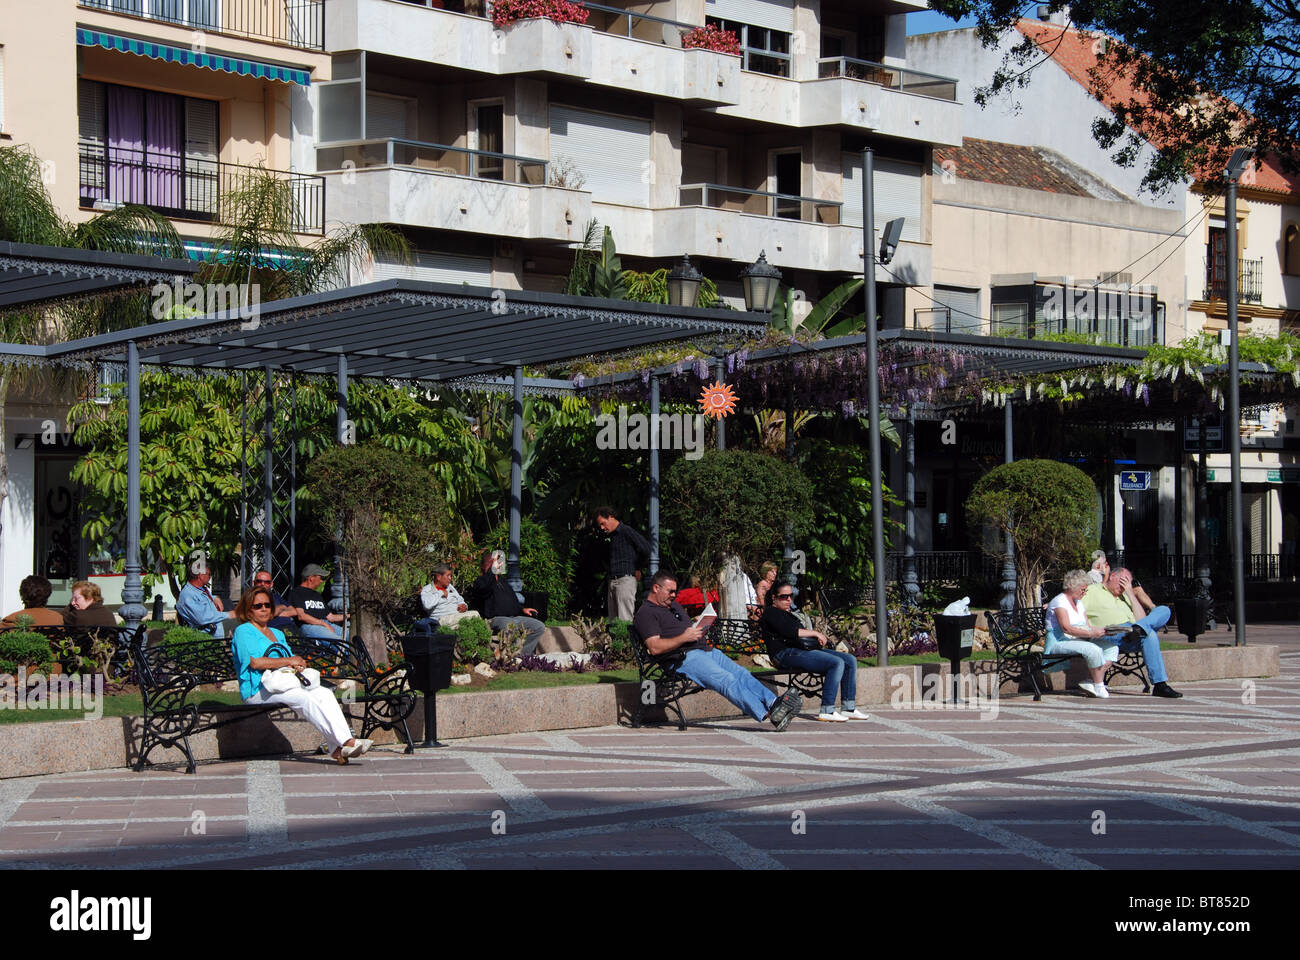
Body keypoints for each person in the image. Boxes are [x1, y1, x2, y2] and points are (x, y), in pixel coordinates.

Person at [633, 571, 801, 731]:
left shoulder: (673, 606)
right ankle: (772, 714)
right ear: (656, 588)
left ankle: (774, 703)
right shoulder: (646, 613)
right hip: (681, 658)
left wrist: (697, 623)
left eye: (674, 592)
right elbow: (654, 647)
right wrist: (684, 637)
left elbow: (675, 629)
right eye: (670, 591)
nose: (673, 595)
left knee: (741, 673)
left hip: (704, 650)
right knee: (726, 679)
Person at [230, 586, 371, 764]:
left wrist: (299, 664)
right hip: (257, 689)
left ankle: (337, 748)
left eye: (267, 604)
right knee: (303, 698)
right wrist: (289, 661)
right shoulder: (244, 631)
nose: (264, 608)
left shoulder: (277, 633)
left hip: (283, 683)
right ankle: (345, 742)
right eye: (258, 606)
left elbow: (290, 659)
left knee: (324, 693)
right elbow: (255, 662)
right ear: (248, 609)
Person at [761, 583, 867, 722]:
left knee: (849, 660)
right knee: (835, 663)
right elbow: (791, 632)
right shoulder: (771, 612)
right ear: (774, 598)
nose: (789, 600)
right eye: (784, 596)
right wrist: (816, 633)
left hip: (799, 651)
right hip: (784, 655)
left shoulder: (787, 613)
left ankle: (848, 707)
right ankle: (827, 710)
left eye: (791, 596)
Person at [1085, 568, 1183, 698]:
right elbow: (1073, 605)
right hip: (1110, 633)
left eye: (1127, 583)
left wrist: (1130, 593)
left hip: (1132, 633)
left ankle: (1160, 685)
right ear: (1112, 576)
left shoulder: (1125, 596)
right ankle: (1160, 684)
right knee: (1150, 634)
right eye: (1122, 582)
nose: (1123, 587)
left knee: (1164, 610)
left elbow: (1141, 619)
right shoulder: (1093, 591)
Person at [1045, 568, 1119, 698]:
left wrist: (1104, 631)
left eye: (1086, 590)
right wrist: (1091, 634)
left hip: (1080, 638)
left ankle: (1092, 681)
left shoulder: (1079, 603)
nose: (1084, 593)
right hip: (1060, 641)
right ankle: (1099, 685)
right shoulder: (1059, 601)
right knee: (1093, 649)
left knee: (1111, 648)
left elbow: (1087, 626)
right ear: (1072, 586)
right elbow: (1066, 628)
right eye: (1083, 589)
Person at [470, 551, 546, 656]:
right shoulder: (481, 581)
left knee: (538, 626)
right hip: (494, 619)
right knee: (510, 625)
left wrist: (522, 609)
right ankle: (512, 656)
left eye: (498, 562)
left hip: (513, 617)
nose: (498, 564)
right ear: (484, 566)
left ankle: (523, 655)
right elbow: (484, 589)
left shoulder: (503, 582)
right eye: (492, 562)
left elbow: (512, 601)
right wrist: (493, 572)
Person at [594, 507, 651, 621]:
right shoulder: (610, 536)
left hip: (625, 579)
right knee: (613, 621)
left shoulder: (626, 531)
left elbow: (646, 548)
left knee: (625, 620)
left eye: (603, 523)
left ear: (611, 517)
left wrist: (638, 567)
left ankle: (626, 639)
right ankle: (616, 639)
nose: (602, 527)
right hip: (613, 580)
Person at [287, 564, 346, 643]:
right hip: (310, 626)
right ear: (311, 578)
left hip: (326, 624)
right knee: (340, 644)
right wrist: (323, 624)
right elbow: (302, 616)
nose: (322, 581)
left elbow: (331, 617)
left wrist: (350, 615)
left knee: (353, 637)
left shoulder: (317, 595)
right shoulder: (296, 593)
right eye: (320, 578)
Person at [176, 566, 236, 637]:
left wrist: (215, 597)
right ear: (201, 576)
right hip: (213, 631)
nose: (210, 577)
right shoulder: (188, 595)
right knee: (245, 622)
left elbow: (204, 598)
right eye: (209, 574)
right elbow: (203, 618)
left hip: (218, 624)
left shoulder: (197, 589)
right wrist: (229, 614)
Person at [420, 563, 480, 629]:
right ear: (438, 577)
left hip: (455, 618)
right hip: (441, 620)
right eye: (448, 575)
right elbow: (427, 605)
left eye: (450, 576)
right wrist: (440, 593)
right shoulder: (428, 589)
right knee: (474, 615)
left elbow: (460, 599)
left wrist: (464, 606)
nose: (450, 578)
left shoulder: (450, 587)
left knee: (470, 623)